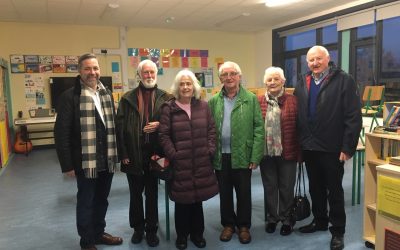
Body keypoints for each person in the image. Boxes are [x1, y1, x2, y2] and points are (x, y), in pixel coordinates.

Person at [294, 45, 362, 250]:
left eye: (318, 59)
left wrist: (348, 147)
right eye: (311, 60)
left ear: (328, 58)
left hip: (332, 147)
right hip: (309, 146)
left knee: (334, 191)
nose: (314, 63)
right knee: (315, 188)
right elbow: (299, 115)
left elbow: (353, 116)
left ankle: (338, 231)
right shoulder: (302, 82)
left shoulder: (344, 80)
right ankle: (320, 221)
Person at [54, 53, 122, 250]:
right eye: (87, 69)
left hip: (106, 159)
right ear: (80, 71)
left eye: (95, 68)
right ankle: (87, 241)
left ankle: (99, 233)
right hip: (85, 161)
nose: (92, 73)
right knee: (86, 201)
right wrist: (67, 164)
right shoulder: (69, 97)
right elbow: (61, 133)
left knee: (102, 200)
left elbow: (112, 126)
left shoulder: (106, 93)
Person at [158, 69, 219, 250]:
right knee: (182, 201)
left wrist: (210, 150)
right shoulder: (169, 108)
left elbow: (211, 131)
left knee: (197, 199)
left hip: (201, 160)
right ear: (177, 87)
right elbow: (163, 135)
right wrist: (174, 155)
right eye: (182, 84)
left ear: (194, 86)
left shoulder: (203, 106)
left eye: (189, 83)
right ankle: (182, 236)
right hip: (181, 162)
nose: (186, 87)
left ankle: (197, 234)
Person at [115, 59, 172, 247]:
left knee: (152, 194)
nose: (149, 75)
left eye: (152, 72)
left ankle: (151, 230)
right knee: (135, 195)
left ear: (156, 74)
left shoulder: (167, 98)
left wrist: (161, 125)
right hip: (133, 154)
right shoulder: (127, 98)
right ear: (139, 75)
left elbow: (173, 125)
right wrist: (123, 153)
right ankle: (138, 229)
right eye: (145, 72)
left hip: (156, 155)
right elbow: (120, 128)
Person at [208, 61, 264, 244]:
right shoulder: (213, 100)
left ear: (239, 77)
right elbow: (208, 129)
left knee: (243, 193)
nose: (229, 77)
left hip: (243, 154)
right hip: (220, 155)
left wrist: (255, 156)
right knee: (224, 193)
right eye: (225, 74)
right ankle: (228, 225)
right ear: (220, 79)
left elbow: (258, 128)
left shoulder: (251, 98)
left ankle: (244, 226)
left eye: (233, 74)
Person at [258, 66, 299, 236]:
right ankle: (272, 218)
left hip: (288, 151)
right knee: (270, 187)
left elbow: (300, 127)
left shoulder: (293, 101)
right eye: (269, 79)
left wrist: (300, 153)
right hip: (266, 153)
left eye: (276, 79)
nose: (273, 82)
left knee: (286, 187)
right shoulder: (258, 101)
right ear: (265, 82)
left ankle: (286, 219)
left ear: (283, 81)